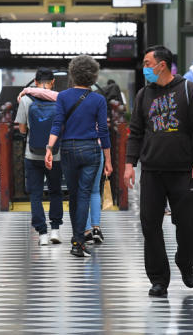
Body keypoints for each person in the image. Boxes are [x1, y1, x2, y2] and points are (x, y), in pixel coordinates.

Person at [124, 45, 193, 298]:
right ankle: (159, 279)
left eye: (148, 63)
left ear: (162, 65)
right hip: (151, 171)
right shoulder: (143, 95)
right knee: (150, 225)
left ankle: (185, 261)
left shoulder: (187, 89)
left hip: (182, 170)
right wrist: (130, 163)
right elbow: (136, 131)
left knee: (189, 222)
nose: (144, 68)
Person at [45, 56, 112, 258]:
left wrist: (49, 148)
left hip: (67, 149)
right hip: (91, 149)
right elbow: (103, 132)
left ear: (72, 74)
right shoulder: (98, 99)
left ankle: (77, 240)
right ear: (93, 76)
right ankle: (77, 242)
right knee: (84, 194)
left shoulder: (63, 97)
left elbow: (57, 124)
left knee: (74, 195)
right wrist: (108, 159)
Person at [16, 68, 64, 246]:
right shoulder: (60, 100)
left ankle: (42, 233)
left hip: (32, 154)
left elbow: (21, 129)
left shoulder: (26, 100)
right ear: (53, 82)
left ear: (35, 82)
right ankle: (55, 230)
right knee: (55, 192)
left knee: (35, 194)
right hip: (55, 155)